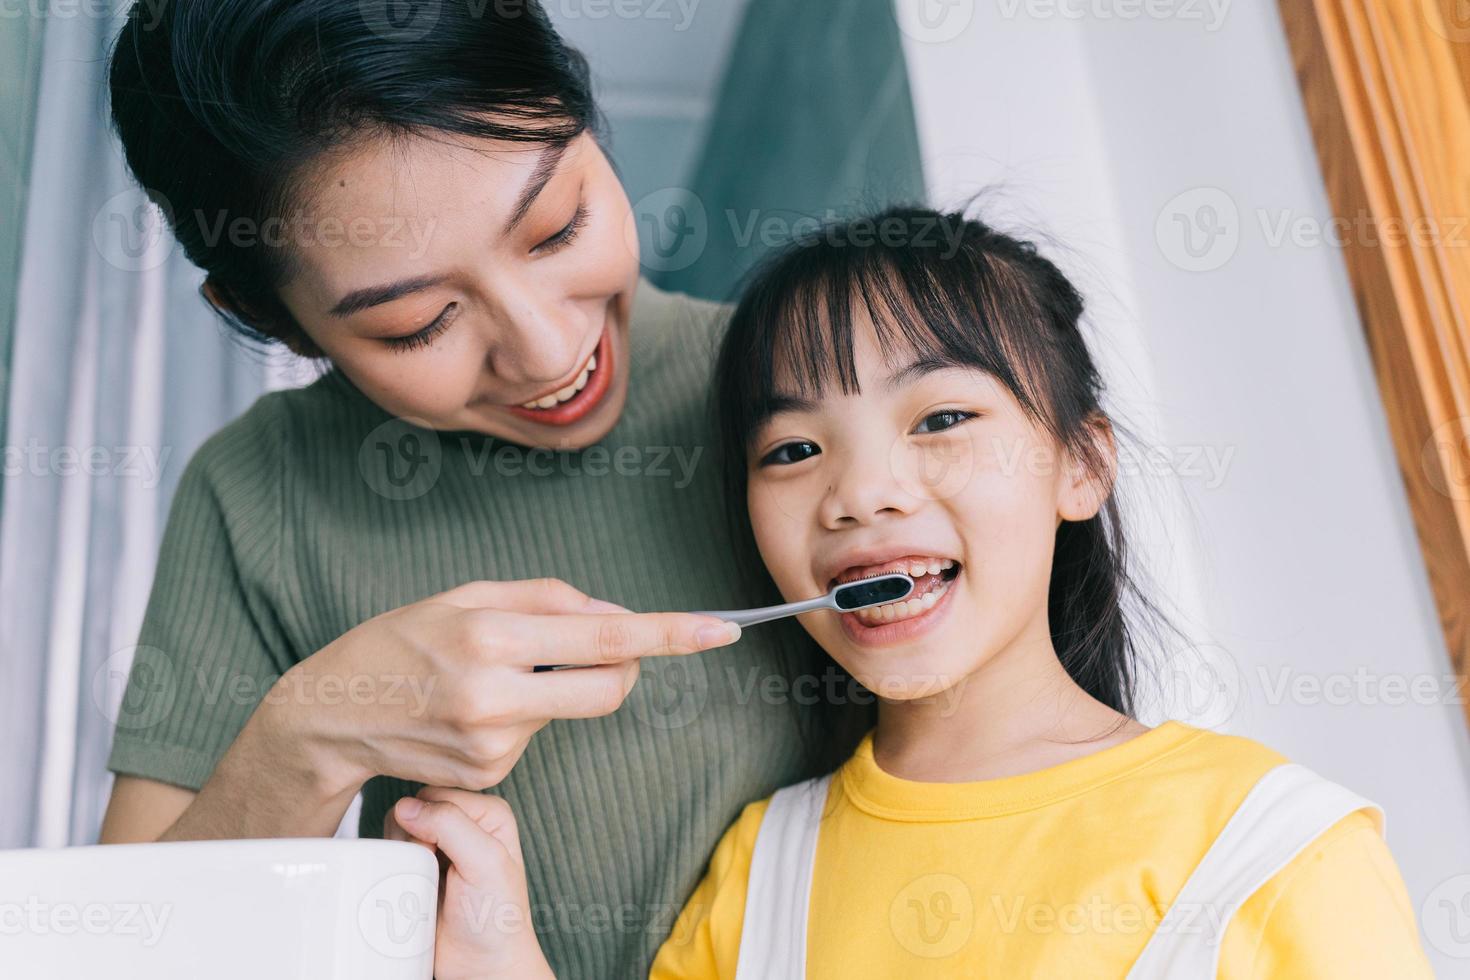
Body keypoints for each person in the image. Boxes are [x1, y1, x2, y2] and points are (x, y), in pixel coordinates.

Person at [395, 206, 1433, 977]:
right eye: (795, 447)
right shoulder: (766, 867)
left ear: (1080, 461)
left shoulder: (1278, 847)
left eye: (940, 418)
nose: (860, 493)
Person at [97, 2, 867, 975]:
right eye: (420, 321)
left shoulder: (809, 390)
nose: (549, 347)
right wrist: (313, 729)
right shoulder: (261, 491)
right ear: (272, 320)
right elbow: (117, 948)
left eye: (557, 227)